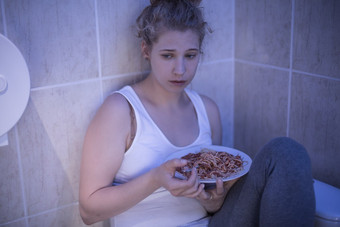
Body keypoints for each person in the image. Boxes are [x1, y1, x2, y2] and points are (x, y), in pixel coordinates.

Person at [79, 0, 315, 226]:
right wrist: (155, 179)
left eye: (190, 55)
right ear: (146, 50)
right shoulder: (121, 111)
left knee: (286, 153)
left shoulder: (208, 110)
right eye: (168, 55)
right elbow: (88, 212)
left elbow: (212, 202)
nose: (180, 70)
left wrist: (214, 201)